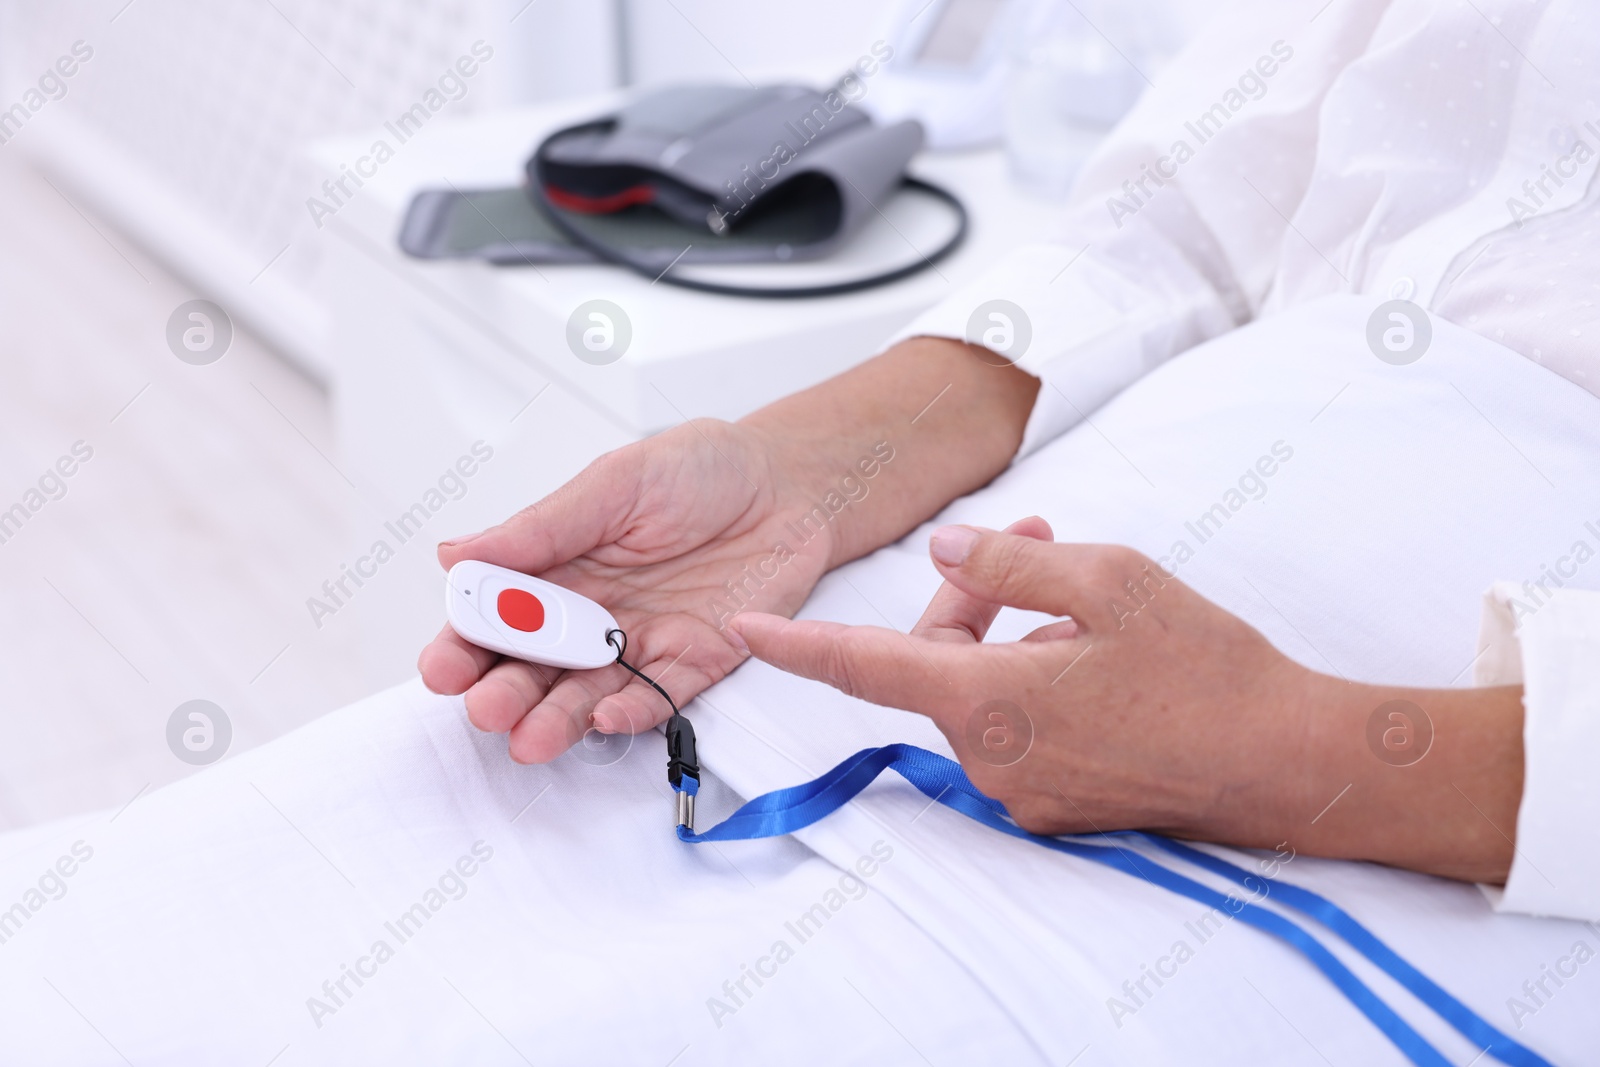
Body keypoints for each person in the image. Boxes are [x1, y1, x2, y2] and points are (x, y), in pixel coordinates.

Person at [420, 0, 1600, 921]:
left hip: (1446, 807)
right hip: (1001, 614)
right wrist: (801, 471)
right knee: (434, 800)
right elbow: (1179, 227)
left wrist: (1279, 754)